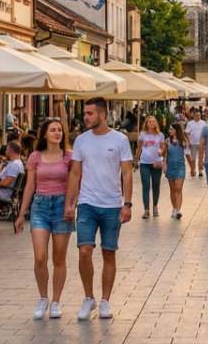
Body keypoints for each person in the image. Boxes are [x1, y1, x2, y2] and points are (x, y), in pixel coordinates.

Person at [64, 97, 133, 322]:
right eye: (85, 114)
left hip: (112, 205)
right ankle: (88, 297)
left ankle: (105, 300)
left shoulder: (120, 140)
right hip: (87, 203)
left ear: (102, 115)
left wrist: (128, 203)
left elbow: (127, 173)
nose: (85, 117)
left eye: (90, 114)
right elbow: (74, 173)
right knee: (84, 251)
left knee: (108, 252)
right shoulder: (81, 141)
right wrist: (70, 203)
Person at [17, 118, 74, 320]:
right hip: (40, 207)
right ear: (44, 134)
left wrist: (71, 205)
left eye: (60, 130)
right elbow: (30, 186)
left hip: (61, 208)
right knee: (40, 257)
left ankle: (56, 301)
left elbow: (74, 184)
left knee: (59, 258)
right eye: (53, 130)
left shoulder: (69, 157)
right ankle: (43, 298)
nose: (57, 133)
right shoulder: (35, 157)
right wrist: (22, 213)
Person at [136, 116, 167, 219]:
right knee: (146, 186)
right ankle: (146, 210)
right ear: (147, 123)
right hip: (144, 163)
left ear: (156, 123)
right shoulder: (142, 134)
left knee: (156, 186)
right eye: (150, 121)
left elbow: (163, 148)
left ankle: (155, 207)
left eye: (154, 121)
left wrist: (161, 153)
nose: (152, 123)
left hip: (156, 163)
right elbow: (139, 148)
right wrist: (136, 160)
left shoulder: (160, 135)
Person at [164, 123, 188, 219]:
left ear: (176, 130)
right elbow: (164, 155)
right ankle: (174, 208)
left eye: (171, 129)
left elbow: (187, 153)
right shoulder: (167, 141)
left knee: (178, 188)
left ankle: (178, 210)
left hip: (180, 167)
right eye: (169, 129)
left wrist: (192, 166)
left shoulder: (183, 141)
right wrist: (164, 165)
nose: (169, 131)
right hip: (170, 167)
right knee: (173, 189)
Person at [185, 108, 207, 178]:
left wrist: (205, 142)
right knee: (193, 158)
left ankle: (200, 171)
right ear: (193, 116)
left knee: (201, 158)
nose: (198, 116)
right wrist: (189, 142)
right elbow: (187, 133)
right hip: (193, 143)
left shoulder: (203, 123)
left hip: (201, 143)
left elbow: (205, 133)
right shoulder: (190, 123)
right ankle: (193, 169)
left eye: (199, 115)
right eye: (196, 115)